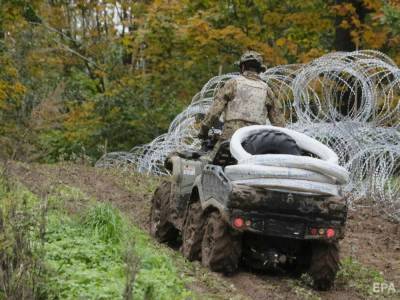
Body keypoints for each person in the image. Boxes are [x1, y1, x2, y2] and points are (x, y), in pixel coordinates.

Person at [198, 50, 286, 160]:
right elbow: (279, 123)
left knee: (209, 163)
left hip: (230, 137)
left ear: (243, 67)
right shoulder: (267, 90)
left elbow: (214, 112)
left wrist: (203, 131)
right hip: (255, 140)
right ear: (259, 69)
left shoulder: (233, 83)